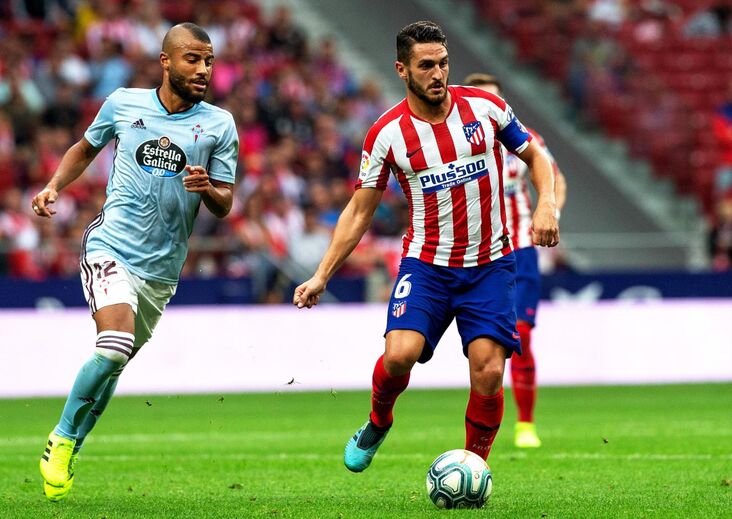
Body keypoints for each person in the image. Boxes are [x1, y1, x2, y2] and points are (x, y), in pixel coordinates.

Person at [293, 21, 559, 472]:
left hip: (490, 264)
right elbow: (359, 211)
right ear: (402, 69)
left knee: (489, 371)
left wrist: (546, 203)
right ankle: (378, 420)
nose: (438, 74)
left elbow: (535, 155)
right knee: (399, 356)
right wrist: (322, 274)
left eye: (443, 63)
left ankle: (473, 467)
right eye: (426, 66)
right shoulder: (386, 134)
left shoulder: (485, 108)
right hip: (428, 265)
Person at [32, 22, 239, 501]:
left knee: (115, 363)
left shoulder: (219, 124)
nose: (203, 69)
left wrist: (208, 188)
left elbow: (226, 202)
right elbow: (86, 147)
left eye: (209, 61)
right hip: (111, 246)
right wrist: (54, 185)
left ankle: (73, 444)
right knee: (113, 346)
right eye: (192, 59)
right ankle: (61, 437)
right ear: (166, 61)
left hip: (162, 269)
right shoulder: (124, 103)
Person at [464, 72, 567, 448]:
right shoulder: (453, 143)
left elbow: (554, 179)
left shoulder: (525, 139)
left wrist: (550, 212)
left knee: (521, 335)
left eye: (494, 98)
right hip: (474, 253)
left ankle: (525, 423)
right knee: (481, 346)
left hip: (520, 248)